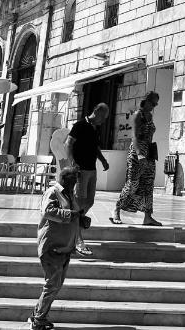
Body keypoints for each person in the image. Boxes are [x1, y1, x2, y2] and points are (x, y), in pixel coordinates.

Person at [28, 165, 88, 330]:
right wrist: (72, 215)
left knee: (55, 285)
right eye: (74, 180)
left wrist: (81, 219)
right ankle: (38, 320)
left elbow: (73, 214)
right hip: (52, 246)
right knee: (52, 284)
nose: (75, 184)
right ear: (67, 179)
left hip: (64, 247)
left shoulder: (69, 194)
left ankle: (37, 315)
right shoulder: (53, 192)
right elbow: (48, 211)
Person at [110, 91, 162, 227]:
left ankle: (148, 216)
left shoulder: (150, 116)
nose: (154, 106)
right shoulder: (138, 115)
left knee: (148, 185)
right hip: (137, 153)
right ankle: (116, 209)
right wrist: (139, 155)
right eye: (153, 103)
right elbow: (134, 136)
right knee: (132, 183)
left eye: (156, 104)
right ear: (147, 100)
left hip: (149, 153)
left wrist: (147, 155)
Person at [65, 103, 109, 256]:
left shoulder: (95, 128)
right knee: (78, 202)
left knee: (89, 201)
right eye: (103, 117)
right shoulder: (80, 125)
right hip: (80, 170)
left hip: (92, 169)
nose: (103, 121)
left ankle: (75, 222)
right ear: (96, 112)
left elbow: (95, 147)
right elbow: (68, 143)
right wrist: (72, 162)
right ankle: (78, 239)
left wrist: (103, 160)